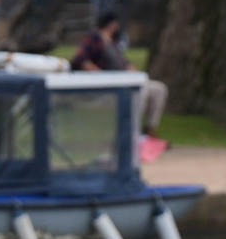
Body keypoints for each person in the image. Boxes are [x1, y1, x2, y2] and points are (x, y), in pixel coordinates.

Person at [70, 12, 169, 150]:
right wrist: (98, 73)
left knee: (158, 89)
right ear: (110, 24)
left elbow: (122, 61)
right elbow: (79, 59)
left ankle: (149, 130)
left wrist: (129, 67)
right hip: (109, 83)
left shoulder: (113, 41)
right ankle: (132, 131)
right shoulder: (94, 38)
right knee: (142, 89)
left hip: (125, 79)